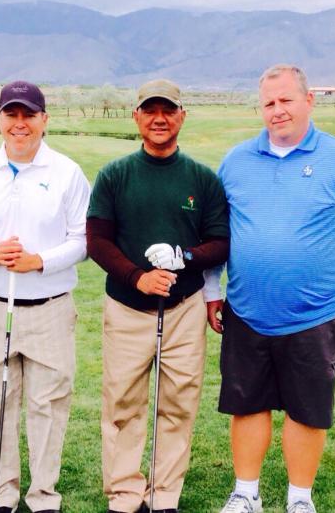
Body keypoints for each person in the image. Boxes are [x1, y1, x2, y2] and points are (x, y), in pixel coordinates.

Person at [210, 64, 335, 513]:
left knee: (306, 411)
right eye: (269, 103)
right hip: (246, 310)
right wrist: (212, 290)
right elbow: (217, 234)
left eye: (286, 100)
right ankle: (246, 494)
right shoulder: (236, 161)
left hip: (315, 315)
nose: (277, 110)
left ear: (309, 101)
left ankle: (300, 499)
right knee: (247, 406)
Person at [86, 79, 230, 513]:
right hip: (127, 307)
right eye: (150, 110)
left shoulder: (202, 179)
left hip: (184, 309)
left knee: (178, 403)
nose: (160, 118)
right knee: (123, 403)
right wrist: (138, 278)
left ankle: (164, 494)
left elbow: (221, 242)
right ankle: (125, 493)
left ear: (182, 116)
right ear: (137, 116)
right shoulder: (115, 175)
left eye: (169, 110)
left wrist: (184, 256)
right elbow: (98, 241)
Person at [0, 80, 91, 513]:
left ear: (44, 119)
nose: (20, 123)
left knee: (47, 404)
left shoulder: (67, 172)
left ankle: (43, 495)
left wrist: (40, 261)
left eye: (29, 115)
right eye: (11, 114)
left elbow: (83, 240)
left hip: (50, 307)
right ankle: (1, 494)